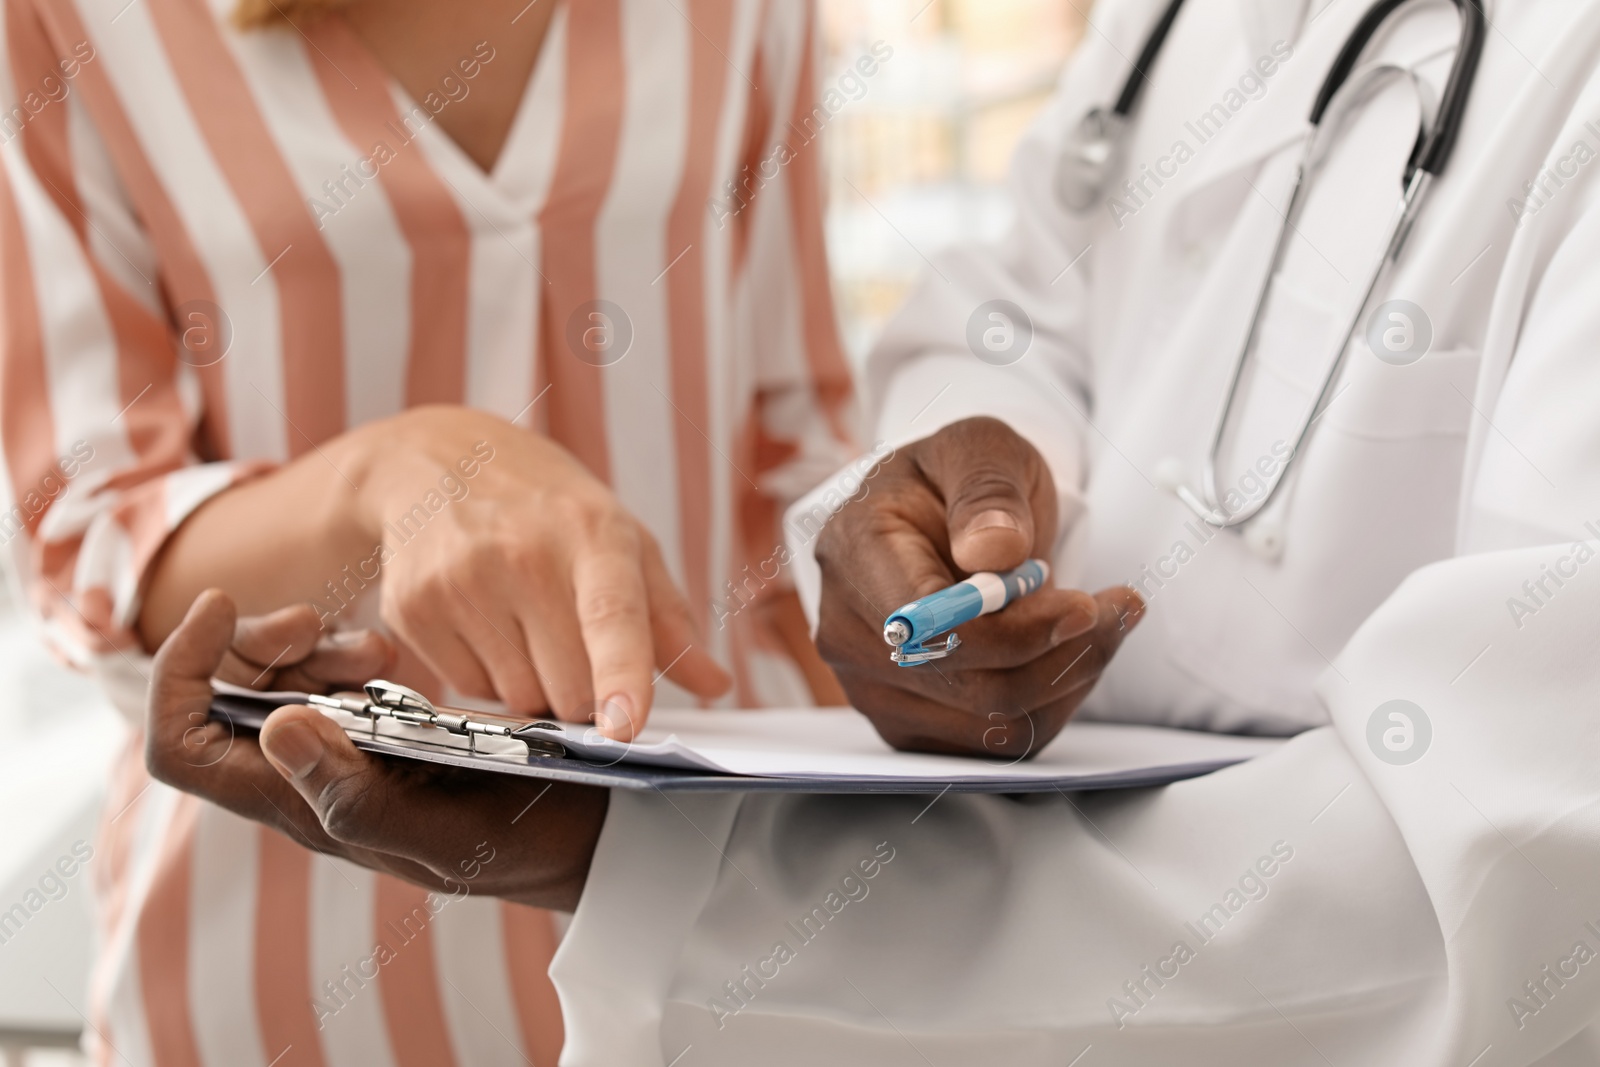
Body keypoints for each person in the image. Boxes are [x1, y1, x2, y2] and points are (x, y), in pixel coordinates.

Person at [142, 0, 1600, 1063]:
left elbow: (1499, 860)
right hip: (269, 969)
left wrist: (652, 860)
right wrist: (953, 486)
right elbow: (1019, 311)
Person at [0, 0, 857, 1061]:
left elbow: (798, 448)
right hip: (286, 957)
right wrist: (382, 475)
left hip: (714, 927)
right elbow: (92, 541)